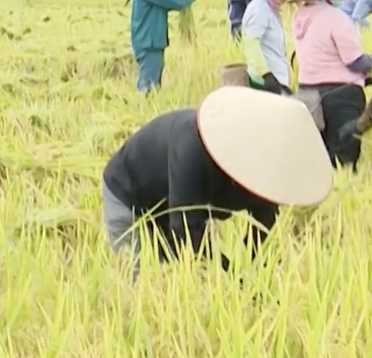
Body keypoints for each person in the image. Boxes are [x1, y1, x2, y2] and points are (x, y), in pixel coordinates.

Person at [100, 86, 332, 277]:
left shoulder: (258, 162)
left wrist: (256, 271)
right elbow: (186, 229)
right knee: (140, 282)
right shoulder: (192, 147)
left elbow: (263, 222)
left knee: (184, 279)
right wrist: (230, 275)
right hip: (128, 195)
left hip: (172, 202)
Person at [288, 0, 372, 171]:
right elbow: (355, 62)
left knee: (321, 158)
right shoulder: (336, 18)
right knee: (345, 155)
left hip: (309, 94)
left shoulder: (299, 16)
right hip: (342, 97)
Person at [240, 0, 299, 94]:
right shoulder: (258, 9)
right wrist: (266, 74)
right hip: (265, 82)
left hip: (277, 77)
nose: (282, 0)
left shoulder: (271, 8)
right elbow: (251, 44)